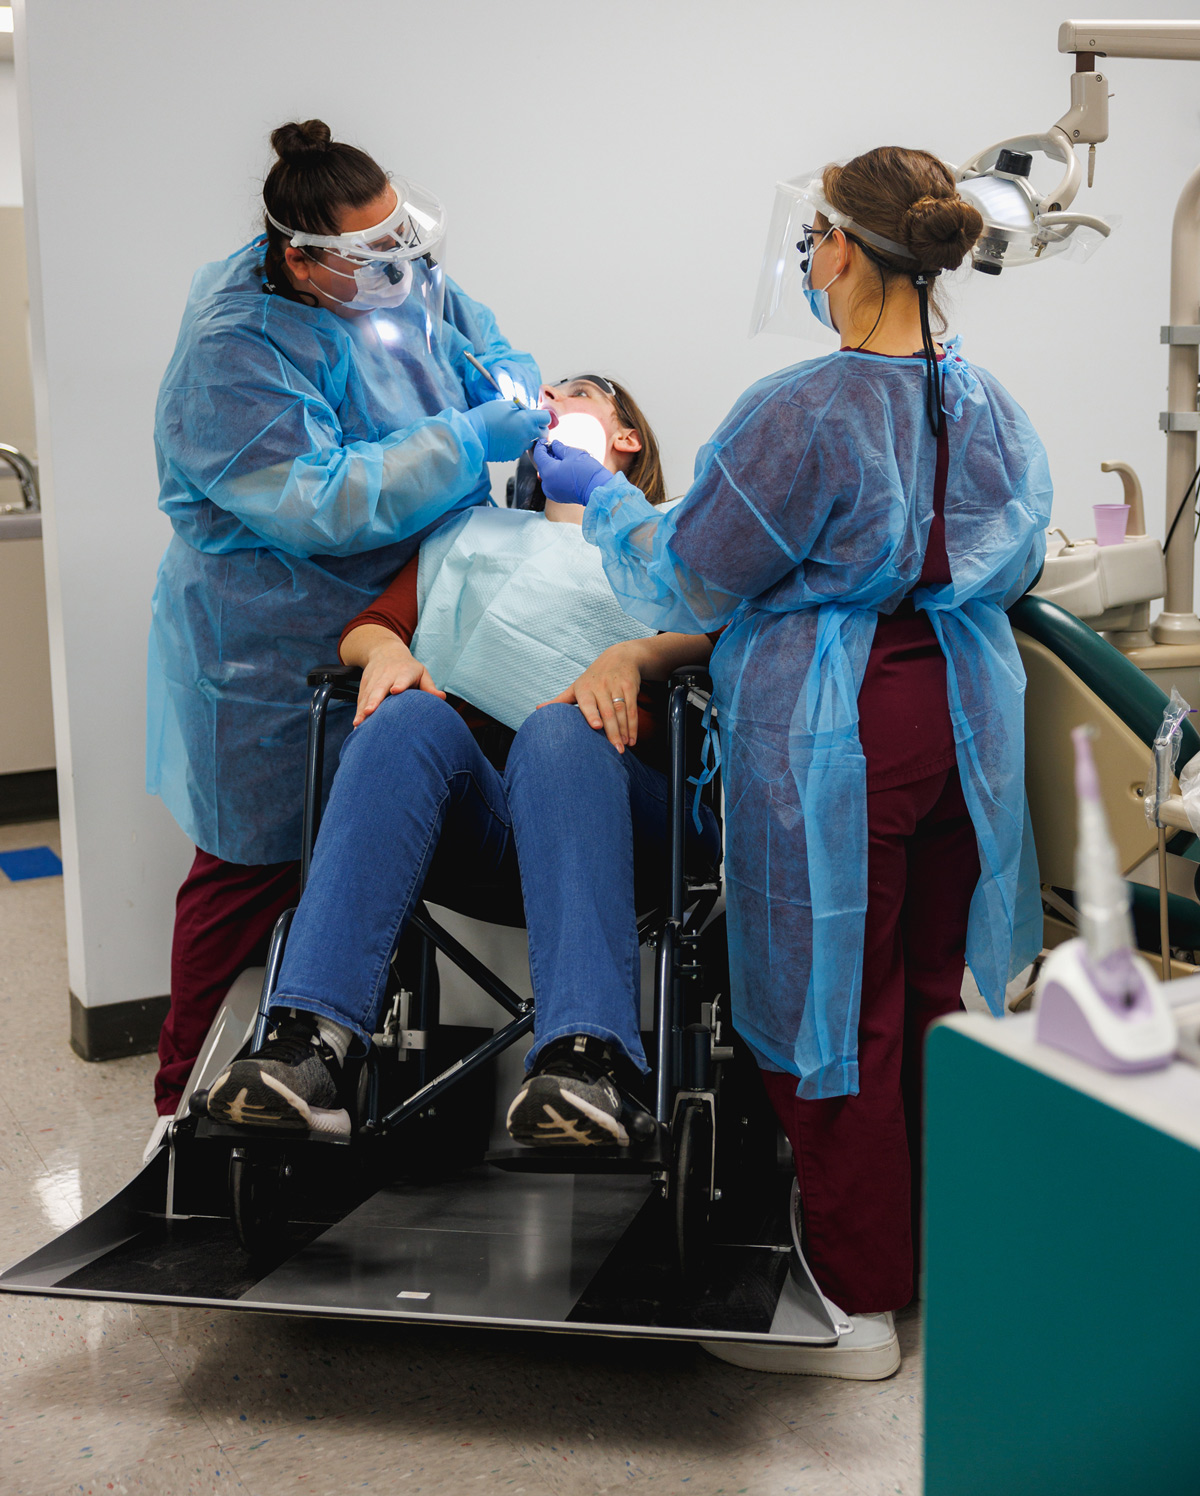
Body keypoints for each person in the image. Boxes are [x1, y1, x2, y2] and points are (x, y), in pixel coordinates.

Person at [534, 147, 1052, 1378]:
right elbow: (1016, 557)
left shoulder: (805, 409)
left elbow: (694, 572)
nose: (807, 264)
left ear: (855, 257)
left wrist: (596, 494)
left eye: (815, 243)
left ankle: (860, 1307)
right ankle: (942, 1267)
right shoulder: (988, 401)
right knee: (935, 1001)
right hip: (963, 715)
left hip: (839, 733)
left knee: (835, 1017)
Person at [145, 120, 548, 1130]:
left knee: (377, 841)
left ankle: (342, 1061)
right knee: (249, 872)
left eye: (401, 247)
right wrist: (469, 438)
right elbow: (322, 500)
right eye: (371, 259)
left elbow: (462, 331)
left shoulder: (394, 273)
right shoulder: (233, 347)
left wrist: (502, 377)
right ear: (302, 258)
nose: (398, 276)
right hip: (267, 650)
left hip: (410, 616)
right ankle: (179, 1110)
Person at [203, 375, 719, 1148]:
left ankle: (591, 1064)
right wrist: (386, 656)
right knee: (406, 712)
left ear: (626, 438)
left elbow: (722, 622)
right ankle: (309, 1048)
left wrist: (633, 654)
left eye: (575, 391)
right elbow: (370, 628)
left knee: (559, 727)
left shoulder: (670, 532)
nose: (548, 396)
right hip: (479, 819)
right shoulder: (471, 535)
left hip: (620, 811)